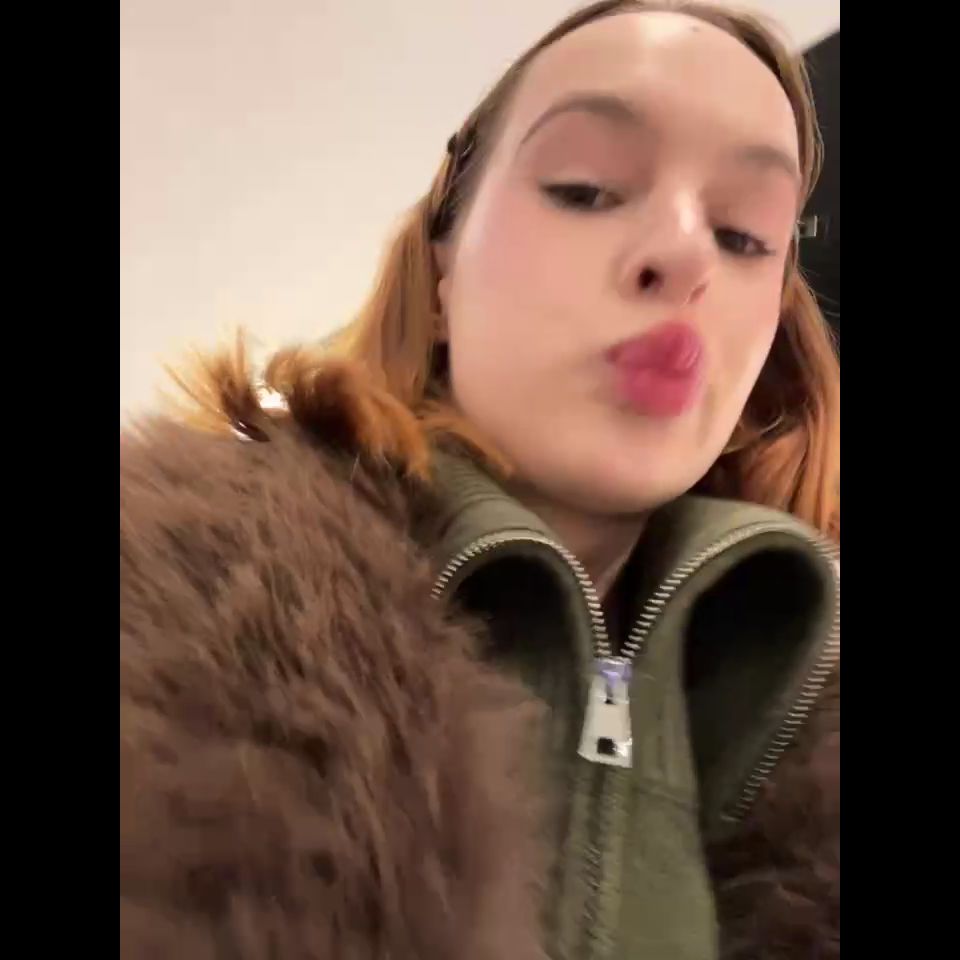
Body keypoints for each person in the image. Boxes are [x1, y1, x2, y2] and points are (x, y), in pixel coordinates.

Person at [119, 2, 840, 958]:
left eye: (745, 235)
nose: (684, 255)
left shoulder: (806, 712)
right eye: (586, 188)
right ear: (441, 266)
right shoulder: (155, 611)